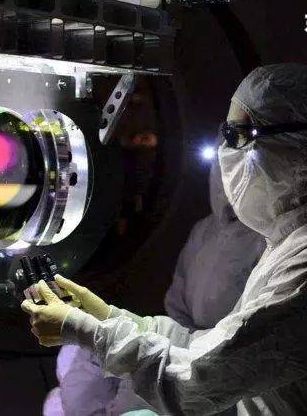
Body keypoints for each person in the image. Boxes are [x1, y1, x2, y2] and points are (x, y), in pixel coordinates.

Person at [23, 64, 307, 415]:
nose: (224, 152)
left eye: (236, 136)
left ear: (295, 144)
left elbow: (197, 382)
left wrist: (90, 333)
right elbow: (213, 346)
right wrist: (106, 316)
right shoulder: (295, 239)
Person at [44, 144, 266, 415]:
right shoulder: (204, 232)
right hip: (185, 350)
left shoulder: (266, 241)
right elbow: (177, 306)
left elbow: (248, 339)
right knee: (72, 359)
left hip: (218, 366)